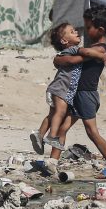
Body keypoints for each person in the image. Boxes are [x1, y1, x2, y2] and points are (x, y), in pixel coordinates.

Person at [49, 6, 106, 179]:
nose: (85, 31)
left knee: (92, 131)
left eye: (89, 27)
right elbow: (68, 58)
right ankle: (52, 163)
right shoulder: (92, 48)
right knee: (62, 128)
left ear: (101, 29)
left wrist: (60, 59)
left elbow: (70, 58)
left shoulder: (101, 50)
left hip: (86, 95)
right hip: (77, 93)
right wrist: (60, 59)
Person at [30, 22, 83, 154]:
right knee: (60, 111)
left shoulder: (68, 51)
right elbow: (73, 60)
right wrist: (93, 55)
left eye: (75, 30)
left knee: (53, 114)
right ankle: (52, 136)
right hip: (61, 88)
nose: (76, 32)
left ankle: (39, 135)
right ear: (64, 40)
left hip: (56, 88)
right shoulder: (72, 50)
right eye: (72, 32)